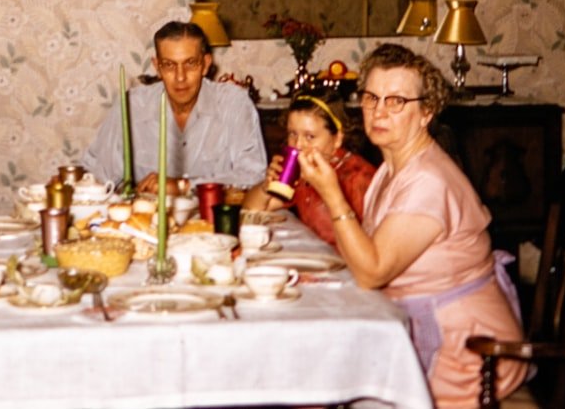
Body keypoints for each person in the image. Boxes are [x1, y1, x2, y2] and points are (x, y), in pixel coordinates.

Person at [297, 43, 527, 407]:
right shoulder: (393, 168)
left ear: (426, 112)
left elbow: (373, 272)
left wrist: (332, 194)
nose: (379, 111)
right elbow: (374, 253)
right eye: (372, 98)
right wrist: (328, 278)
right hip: (423, 329)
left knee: (324, 380)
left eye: (396, 101)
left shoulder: (429, 182)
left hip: (468, 354)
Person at [82, 21, 267, 191]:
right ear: (158, 67)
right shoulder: (131, 107)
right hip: (148, 222)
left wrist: (183, 186)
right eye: (169, 65)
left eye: (190, 63)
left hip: (213, 221)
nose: (180, 77)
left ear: (205, 65)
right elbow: (98, 176)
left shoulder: (234, 105)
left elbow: (254, 177)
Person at [241, 93, 377, 248]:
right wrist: (266, 186)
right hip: (320, 256)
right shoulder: (303, 171)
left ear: (338, 139)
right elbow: (253, 210)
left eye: (310, 136)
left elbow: (371, 248)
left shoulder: (359, 177)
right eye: (293, 134)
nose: (298, 145)